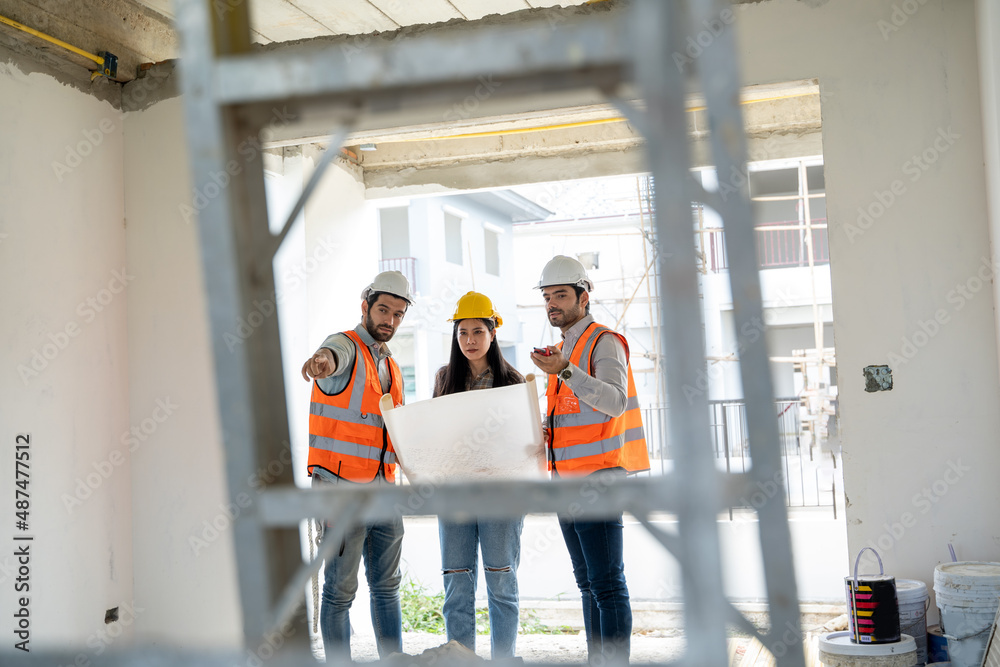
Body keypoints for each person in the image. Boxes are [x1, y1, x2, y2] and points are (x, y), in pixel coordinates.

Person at [529, 256, 650, 665]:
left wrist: (565, 371)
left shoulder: (603, 341)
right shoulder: (562, 350)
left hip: (599, 479)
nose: (552, 304)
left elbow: (614, 402)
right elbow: (573, 413)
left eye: (560, 295)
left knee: (607, 584)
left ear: (584, 295)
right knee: (588, 584)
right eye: (547, 297)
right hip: (567, 483)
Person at [300, 270, 413, 660]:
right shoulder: (344, 345)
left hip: (384, 489)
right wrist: (321, 362)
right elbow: (331, 356)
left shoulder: (390, 365)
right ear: (365, 306)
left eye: (398, 314)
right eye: (383, 310)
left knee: (387, 585)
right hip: (340, 488)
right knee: (340, 588)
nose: (390, 320)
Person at [433, 291, 526, 660]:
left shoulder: (512, 380)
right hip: (455, 497)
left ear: (493, 333)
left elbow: (523, 441)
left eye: (477, 331)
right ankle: (462, 659)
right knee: (457, 584)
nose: (469, 340)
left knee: (501, 582)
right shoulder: (444, 380)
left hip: (502, 497)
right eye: (462, 333)